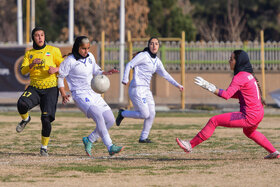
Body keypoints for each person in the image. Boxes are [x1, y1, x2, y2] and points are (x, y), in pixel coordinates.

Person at [176, 50, 280, 159]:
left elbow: (226, 95)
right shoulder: (248, 75)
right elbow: (237, 95)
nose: (229, 61)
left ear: (238, 61)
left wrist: (209, 87)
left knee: (214, 121)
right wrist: (214, 88)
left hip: (249, 116)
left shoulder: (239, 77)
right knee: (249, 132)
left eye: (231, 59)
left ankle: (190, 145)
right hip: (259, 113)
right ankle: (274, 152)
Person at [58, 36, 123, 157]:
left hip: (93, 92)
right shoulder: (69, 61)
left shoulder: (90, 57)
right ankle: (110, 146)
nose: (86, 51)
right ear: (77, 47)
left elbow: (96, 71)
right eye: (83, 49)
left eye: (88, 48)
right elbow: (60, 78)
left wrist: (106, 72)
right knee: (98, 114)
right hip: (80, 95)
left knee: (110, 120)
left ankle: (89, 140)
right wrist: (63, 93)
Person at [116, 37, 184, 143]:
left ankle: (143, 137)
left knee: (152, 113)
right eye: (152, 43)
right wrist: (125, 78)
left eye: (156, 44)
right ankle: (123, 113)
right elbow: (129, 64)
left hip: (146, 90)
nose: (154, 46)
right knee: (145, 114)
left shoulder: (157, 61)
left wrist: (177, 85)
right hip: (136, 88)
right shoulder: (143, 56)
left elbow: (165, 74)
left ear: (158, 46)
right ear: (148, 45)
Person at [16, 27, 64, 156]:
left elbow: (66, 66)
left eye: (42, 35)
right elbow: (23, 70)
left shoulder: (53, 50)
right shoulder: (29, 53)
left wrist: (56, 69)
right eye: (37, 35)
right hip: (35, 87)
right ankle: (25, 119)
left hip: (50, 89)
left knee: (46, 119)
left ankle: (44, 148)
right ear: (33, 38)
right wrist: (31, 64)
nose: (40, 37)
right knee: (21, 104)